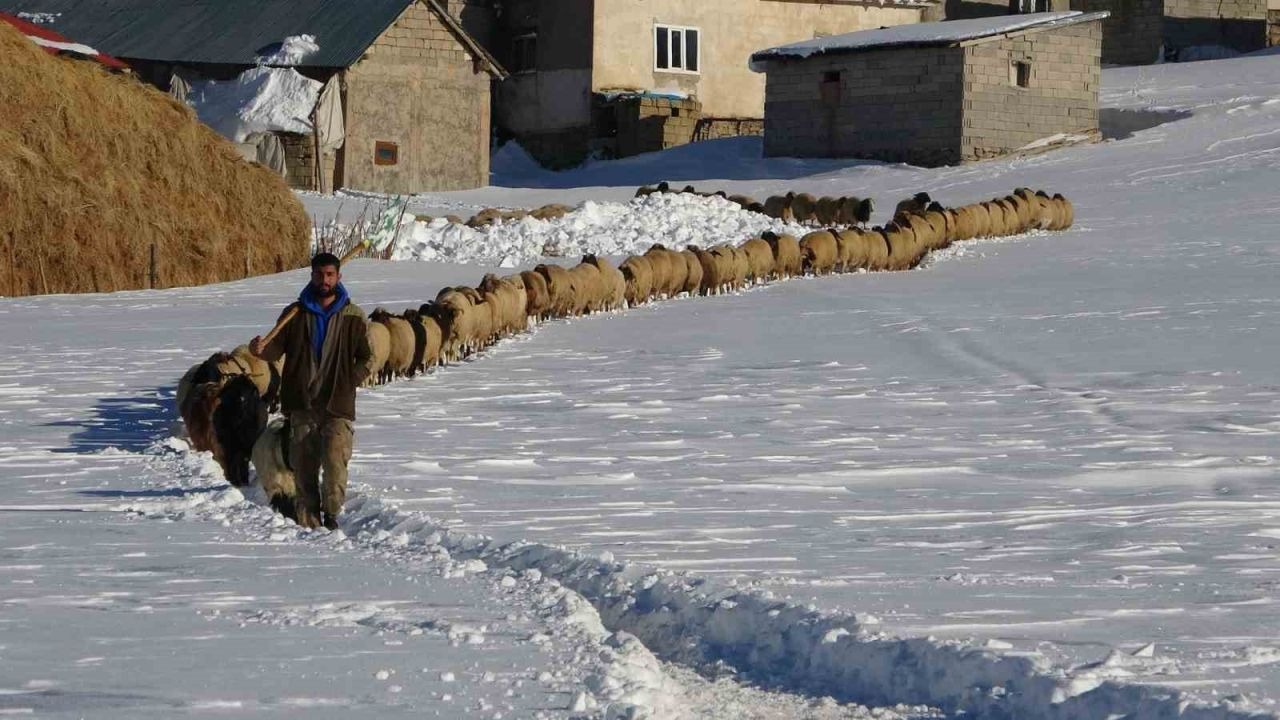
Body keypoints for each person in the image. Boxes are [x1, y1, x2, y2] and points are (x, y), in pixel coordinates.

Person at [251, 252, 374, 530]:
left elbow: (369, 358)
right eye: (319, 274)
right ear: (312, 276)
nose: (324, 280)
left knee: (334, 464)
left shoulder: (353, 316)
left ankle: (331, 516)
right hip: (302, 403)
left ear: (339, 277)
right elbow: (273, 348)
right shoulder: (294, 314)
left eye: (330, 275)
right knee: (303, 469)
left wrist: (348, 382)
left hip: (336, 405)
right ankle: (309, 521)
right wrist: (257, 350)